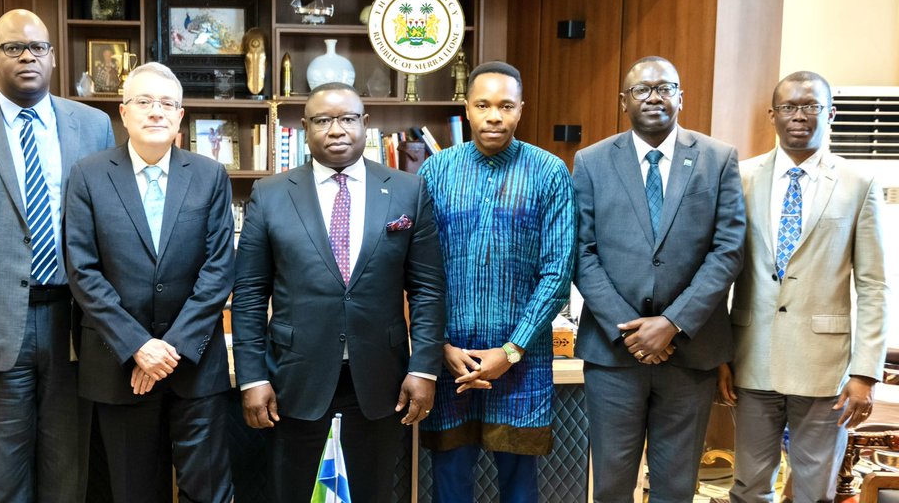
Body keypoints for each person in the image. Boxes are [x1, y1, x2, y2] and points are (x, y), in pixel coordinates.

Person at [0, 8, 115, 502]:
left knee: (68, 475)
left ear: (53, 56)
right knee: (5, 479)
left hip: (75, 326)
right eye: (13, 48)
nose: (27, 55)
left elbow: (110, 231)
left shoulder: (93, 126)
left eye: (38, 47)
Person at [232, 82, 446, 503]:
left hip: (381, 380)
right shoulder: (271, 194)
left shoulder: (407, 190)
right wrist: (252, 376)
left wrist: (424, 368)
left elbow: (427, 289)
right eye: (323, 120)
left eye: (347, 118)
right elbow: (251, 294)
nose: (336, 130)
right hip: (294, 378)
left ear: (365, 125)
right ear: (305, 128)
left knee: (371, 492)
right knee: (293, 492)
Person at [572, 56, 746, 502]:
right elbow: (581, 252)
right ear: (623, 102)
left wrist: (672, 323)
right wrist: (630, 330)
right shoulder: (591, 162)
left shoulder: (718, 158)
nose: (654, 97)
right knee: (610, 484)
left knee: (676, 485)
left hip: (689, 351)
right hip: (614, 353)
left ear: (680, 97)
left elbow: (728, 250)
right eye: (642, 90)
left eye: (665, 87)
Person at [64, 62, 235, 503]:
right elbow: (82, 270)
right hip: (120, 367)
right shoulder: (88, 175)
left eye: (166, 104)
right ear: (124, 112)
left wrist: (170, 348)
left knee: (208, 491)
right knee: (133, 492)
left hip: (195, 367)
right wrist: (138, 346)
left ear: (180, 116)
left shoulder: (209, 175)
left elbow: (219, 269)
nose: (155, 111)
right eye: (144, 101)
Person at [722, 71, 890, 502]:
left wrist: (864, 372)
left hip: (826, 369)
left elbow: (873, 285)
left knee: (815, 491)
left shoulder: (858, 185)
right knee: (748, 487)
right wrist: (720, 353)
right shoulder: (739, 178)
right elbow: (720, 270)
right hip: (752, 357)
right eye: (790, 107)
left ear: (830, 113)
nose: (800, 116)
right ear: (772, 115)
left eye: (811, 106)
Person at [417, 61, 575, 502]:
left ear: (521, 110)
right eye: (483, 105)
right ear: (466, 110)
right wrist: (441, 345)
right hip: (451, 361)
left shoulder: (549, 172)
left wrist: (510, 351)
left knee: (520, 487)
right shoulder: (434, 173)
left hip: (522, 362)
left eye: (506, 106)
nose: (494, 116)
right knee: (449, 482)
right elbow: (419, 270)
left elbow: (557, 272)